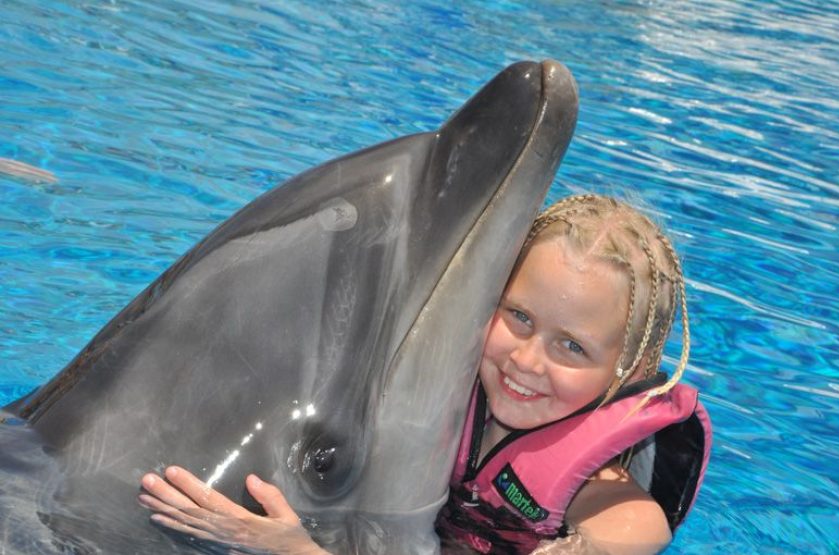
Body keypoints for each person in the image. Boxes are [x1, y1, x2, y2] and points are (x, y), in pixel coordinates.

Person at [139, 194, 712, 555]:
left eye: (571, 346)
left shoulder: (610, 500)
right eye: (519, 316)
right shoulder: (450, 396)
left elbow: (639, 532)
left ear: (630, 370)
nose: (527, 361)